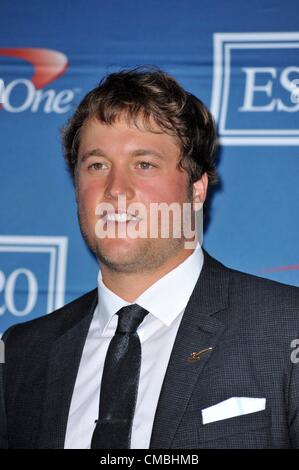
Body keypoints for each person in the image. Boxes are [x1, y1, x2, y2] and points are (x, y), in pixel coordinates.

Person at [1, 68, 299, 449]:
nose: (116, 190)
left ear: (196, 189)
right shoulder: (23, 354)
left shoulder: (286, 329)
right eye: (97, 165)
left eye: (143, 164)